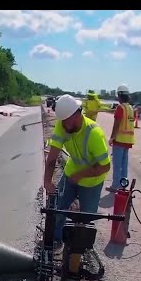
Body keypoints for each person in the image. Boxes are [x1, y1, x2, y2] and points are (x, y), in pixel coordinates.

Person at [43, 94, 112, 246]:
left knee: (86, 219)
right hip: (70, 174)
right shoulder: (62, 126)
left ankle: (80, 250)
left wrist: (81, 175)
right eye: (63, 122)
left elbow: (106, 166)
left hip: (92, 181)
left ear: (77, 114)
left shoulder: (94, 134)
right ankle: (56, 239)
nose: (64, 126)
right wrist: (47, 181)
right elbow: (53, 157)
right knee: (59, 208)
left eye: (67, 121)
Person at [106, 84, 136, 192]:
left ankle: (115, 186)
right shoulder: (131, 108)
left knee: (117, 165)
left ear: (119, 96)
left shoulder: (120, 108)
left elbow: (117, 124)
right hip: (128, 141)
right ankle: (123, 186)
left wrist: (112, 138)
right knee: (124, 165)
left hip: (119, 140)